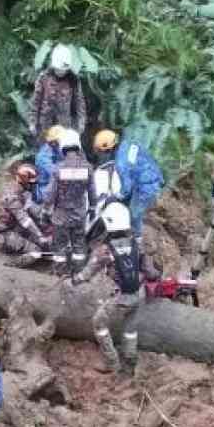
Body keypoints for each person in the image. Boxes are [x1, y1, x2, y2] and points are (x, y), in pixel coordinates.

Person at [74, 198, 144, 376]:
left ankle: (112, 362)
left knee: (98, 322)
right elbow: (150, 271)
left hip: (120, 298)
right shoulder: (136, 244)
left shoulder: (105, 250)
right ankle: (130, 364)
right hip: (138, 294)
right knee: (130, 330)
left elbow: (87, 273)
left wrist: (75, 279)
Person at [92, 129, 163, 279]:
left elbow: (127, 187)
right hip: (152, 177)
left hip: (145, 188)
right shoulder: (127, 145)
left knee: (132, 218)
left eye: (102, 152)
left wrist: (114, 198)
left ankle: (138, 253)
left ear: (108, 149)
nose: (102, 156)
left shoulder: (121, 162)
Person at [44, 128, 93, 265]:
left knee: (59, 246)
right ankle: (78, 270)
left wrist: (46, 210)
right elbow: (92, 192)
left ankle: (60, 270)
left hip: (61, 215)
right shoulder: (88, 168)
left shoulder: (58, 168)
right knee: (79, 245)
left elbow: (49, 194)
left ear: (63, 147)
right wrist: (93, 207)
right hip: (79, 214)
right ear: (78, 146)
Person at [0, 164, 52, 260]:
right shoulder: (11, 196)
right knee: (36, 251)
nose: (33, 185)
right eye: (31, 183)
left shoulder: (23, 192)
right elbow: (24, 220)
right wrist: (40, 236)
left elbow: (35, 210)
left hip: (16, 228)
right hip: (3, 233)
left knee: (44, 244)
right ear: (24, 181)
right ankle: (9, 264)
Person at [29, 44, 87, 147]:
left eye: (64, 70)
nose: (61, 72)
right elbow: (36, 101)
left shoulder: (73, 79)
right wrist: (32, 122)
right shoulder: (44, 78)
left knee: (63, 152)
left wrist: (81, 123)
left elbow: (79, 102)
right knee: (46, 151)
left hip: (64, 125)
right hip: (45, 125)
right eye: (59, 69)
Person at [33, 125, 68, 204]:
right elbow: (58, 175)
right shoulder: (43, 157)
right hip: (45, 191)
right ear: (54, 142)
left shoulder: (59, 150)